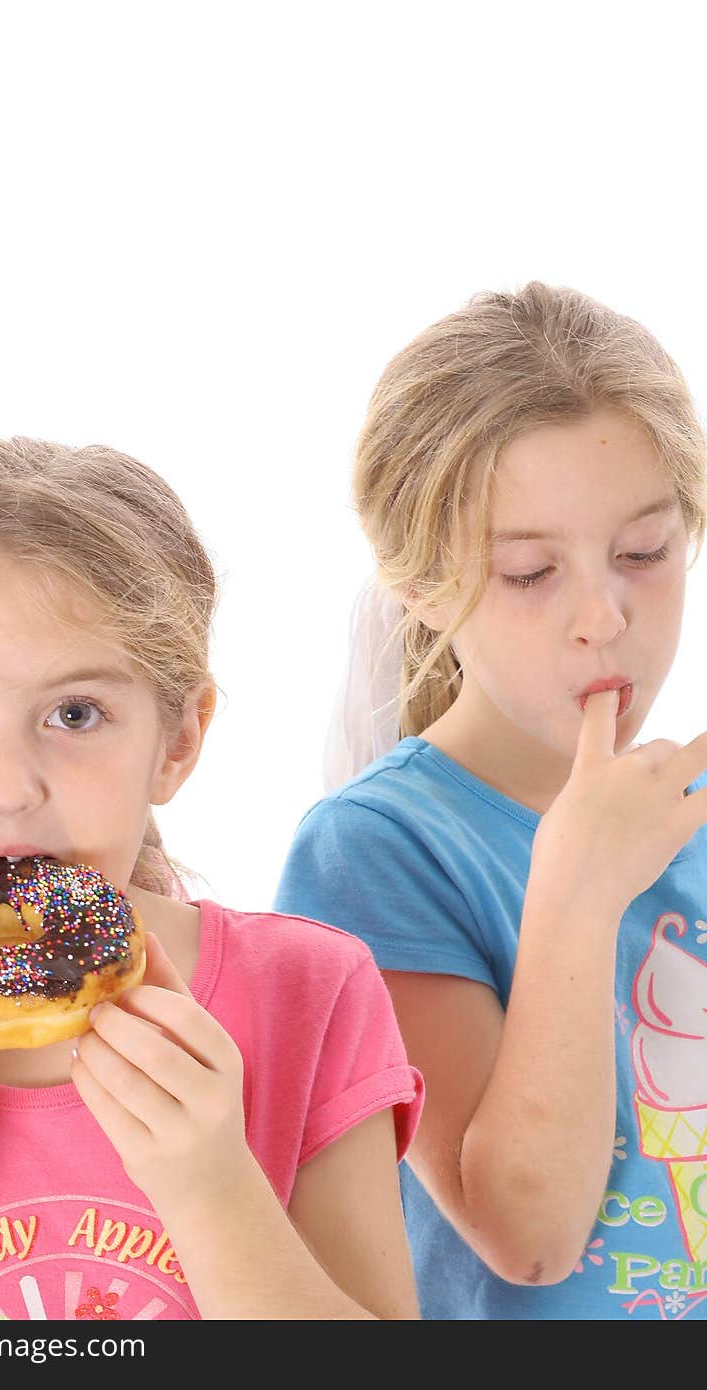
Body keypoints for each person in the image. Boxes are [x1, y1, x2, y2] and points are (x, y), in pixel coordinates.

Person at [0, 435, 422, 1323]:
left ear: (177, 741)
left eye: (75, 713)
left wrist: (213, 1192)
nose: (4, 788)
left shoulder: (309, 996)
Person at [274, 282, 707, 1320]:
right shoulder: (372, 849)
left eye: (642, 554)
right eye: (527, 573)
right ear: (423, 587)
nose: (602, 617)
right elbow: (526, 1235)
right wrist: (576, 883)